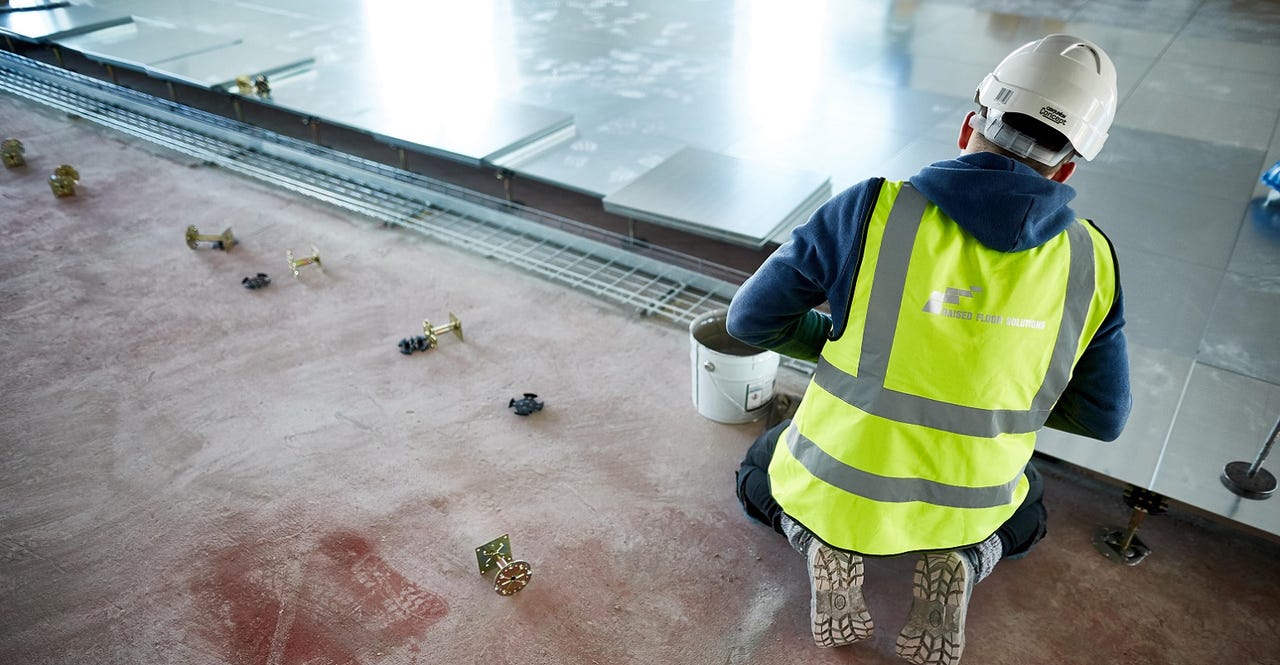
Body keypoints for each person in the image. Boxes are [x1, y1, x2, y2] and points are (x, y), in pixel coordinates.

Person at [727, 34, 1131, 665]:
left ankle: (819, 542)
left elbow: (750, 320)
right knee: (1028, 504)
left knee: (760, 469)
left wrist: (828, 341)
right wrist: (1005, 391)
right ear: (1068, 168)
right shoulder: (1093, 260)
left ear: (971, 124)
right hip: (972, 503)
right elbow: (1105, 418)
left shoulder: (871, 208)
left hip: (841, 485)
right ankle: (966, 559)